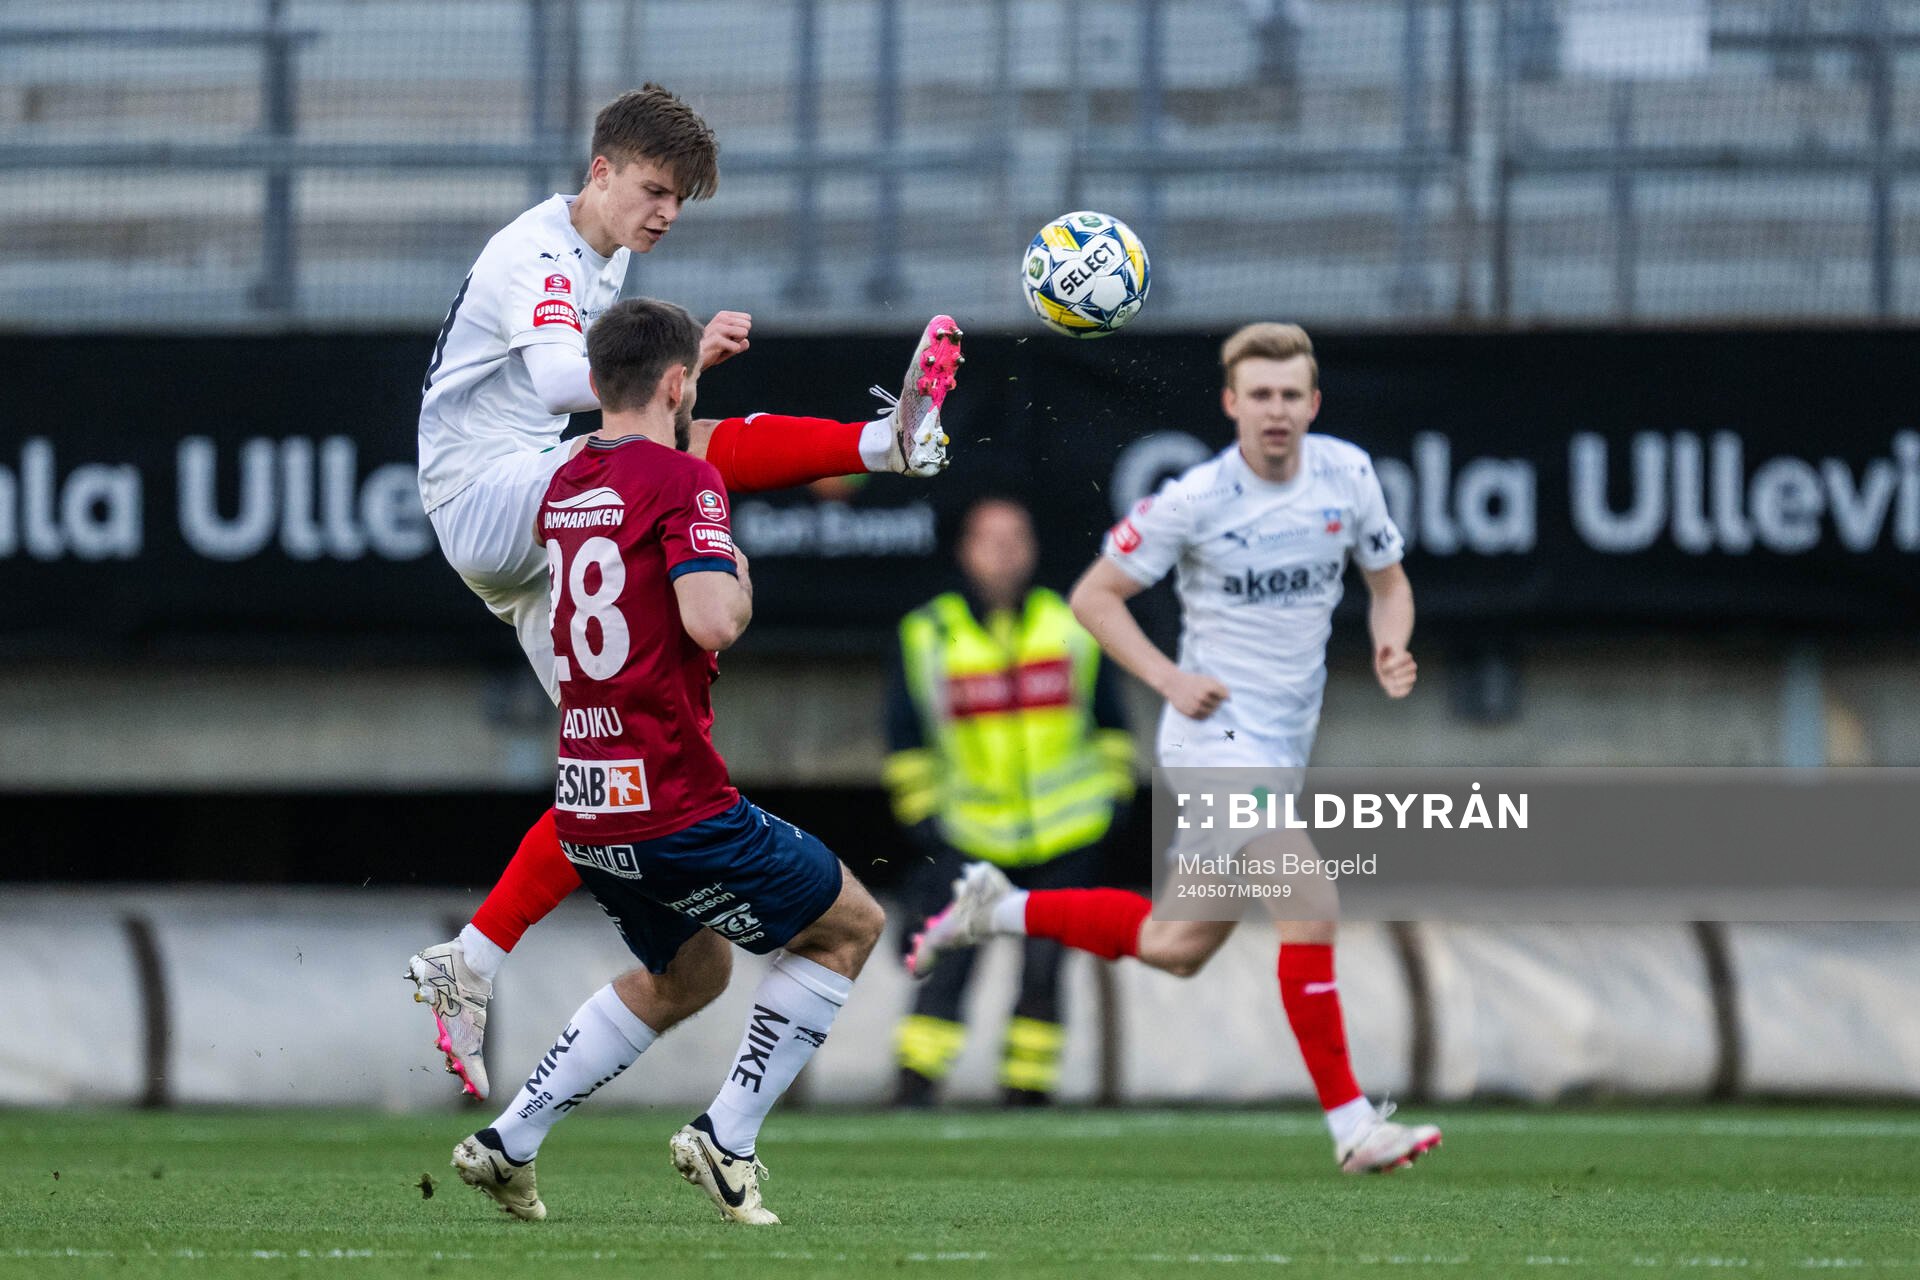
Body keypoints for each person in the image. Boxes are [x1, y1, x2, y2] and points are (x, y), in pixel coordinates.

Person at [404, 83, 962, 1100]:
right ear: (601, 171)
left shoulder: (602, 255)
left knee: (603, 768)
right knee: (670, 448)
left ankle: (469, 960)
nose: (663, 213)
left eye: (680, 201)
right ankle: (885, 441)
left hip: (529, 518)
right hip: (486, 494)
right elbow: (569, 389)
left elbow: (601, 384)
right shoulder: (538, 254)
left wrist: (673, 362)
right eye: (654, 190)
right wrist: (680, 361)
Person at [908, 323, 1442, 1174]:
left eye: (1290, 395)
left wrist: (1391, 641)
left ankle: (993, 909)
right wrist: (1167, 679)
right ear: (1232, 404)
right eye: (1259, 395)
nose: (1276, 410)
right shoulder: (1193, 498)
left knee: (1175, 947)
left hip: (1281, 746)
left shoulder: (1348, 474)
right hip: (1213, 740)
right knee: (1310, 898)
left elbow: (1389, 583)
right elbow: (1094, 598)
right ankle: (1352, 1125)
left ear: (1313, 403)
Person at [451, 297, 885, 1227]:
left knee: (695, 974)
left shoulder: (566, 481)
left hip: (588, 799)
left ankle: (509, 1142)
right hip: (675, 800)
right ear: (680, 384)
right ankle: (726, 1138)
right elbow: (714, 619)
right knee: (849, 925)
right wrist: (732, 557)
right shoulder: (689, 481)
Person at [883, 497, 1135, 1107]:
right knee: (949, 966)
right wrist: (927, 824)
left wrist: (1112, 806)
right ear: (965, 549)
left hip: (1066, 835)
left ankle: (1028, 1091)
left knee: (1047, 971)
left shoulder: (1072, 623)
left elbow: (1112, 725)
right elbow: (904, 738)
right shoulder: (927, 633)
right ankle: (915, 1087)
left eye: (1016, 538)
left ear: (1034, 549)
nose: (1004, 553)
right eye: (990, 540)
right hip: (966, 836)